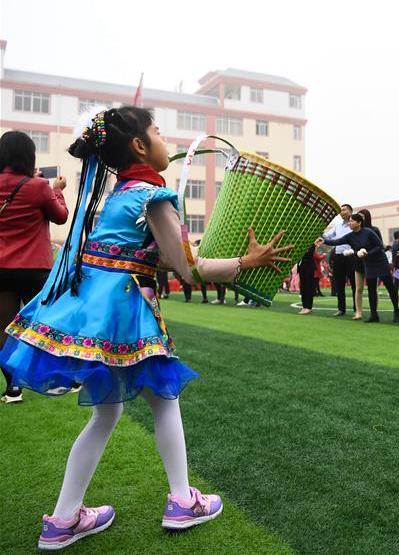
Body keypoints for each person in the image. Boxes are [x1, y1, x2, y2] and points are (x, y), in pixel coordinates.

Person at [0, 107, 292, 549]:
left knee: (108, 413)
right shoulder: (152, 196)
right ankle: (181, 501)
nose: (163, 137)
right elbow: (190, 270)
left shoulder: (119, 194)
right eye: (157, 131)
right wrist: (247, 263)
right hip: (127, 312)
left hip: (97, 311)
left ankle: (63, 520)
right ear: (139, 145)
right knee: (163, 399)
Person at [0, 131, 69, 404]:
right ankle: (56, 380)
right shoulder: (39, 186)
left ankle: (12, 388)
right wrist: (57, 190)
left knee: (3, 328)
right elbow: (61, 217)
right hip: (34, 269)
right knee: (47, 325)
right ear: (28, 157)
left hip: (1, 269)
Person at [318, 213, 399, 323]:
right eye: (349, 221)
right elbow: (337, 241)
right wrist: (324, 240)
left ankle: (396, 310)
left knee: (390, 286)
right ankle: (374, 315)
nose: (350, 223)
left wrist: (368, 253)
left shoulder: (368, 232)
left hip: (380, 262)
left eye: (352, 221)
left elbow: (379, 246)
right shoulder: (350, 236)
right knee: (371, 289)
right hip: (368, 264)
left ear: (359, 223)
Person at [321, 203, 356, 317]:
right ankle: (341, 309)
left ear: (350, 211)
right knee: (339, 284)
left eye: (344, 210)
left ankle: (357, 309)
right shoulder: (337, 226)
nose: (342, 212)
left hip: (352, 256)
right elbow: (327, 237)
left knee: (355, 284)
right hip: (338, 256)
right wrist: (319, 231)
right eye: (341, 211)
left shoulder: (355, 225)